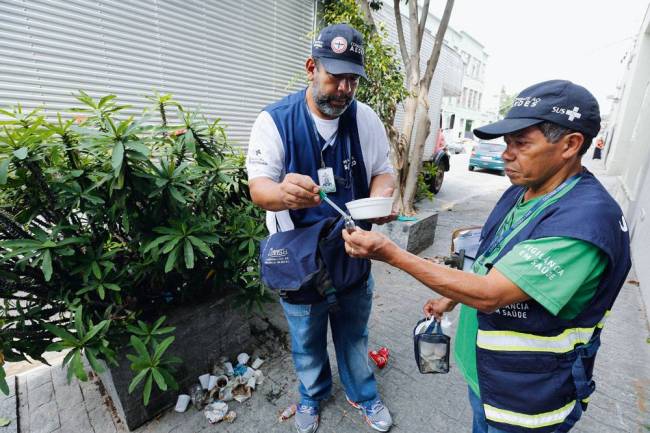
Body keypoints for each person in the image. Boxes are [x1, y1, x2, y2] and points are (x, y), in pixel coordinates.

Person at [342, 80, 631, 433]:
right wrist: (449, 298)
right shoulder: (524, 190)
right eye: (507, 143)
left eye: (522, 143)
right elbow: (491, 256)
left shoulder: (583, 224)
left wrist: (392, 253)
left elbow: (492, 293)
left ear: (571, 144)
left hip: (527, 401)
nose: (506, 154)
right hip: (491, 375)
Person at [246, 23, 396, 433]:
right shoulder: (274, 120)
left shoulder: (365, 120)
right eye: (335, 77)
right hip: (297, 259)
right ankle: (312, 396)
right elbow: (258, 189)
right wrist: (282, 193)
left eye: (352, 79)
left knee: (354, 334)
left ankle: (363, 393)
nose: (344, 89)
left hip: (352, 250)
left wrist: (383, 200)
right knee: (307, 340)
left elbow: (384, 171)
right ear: (312, 68)